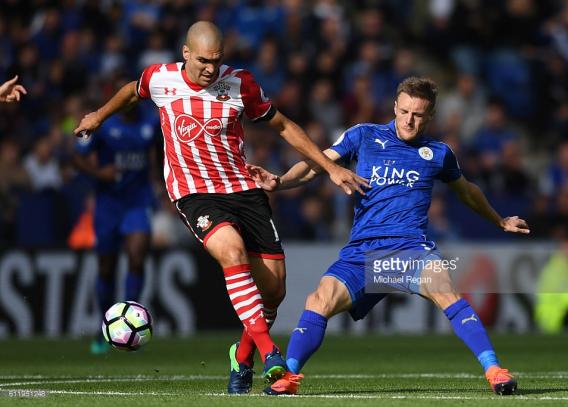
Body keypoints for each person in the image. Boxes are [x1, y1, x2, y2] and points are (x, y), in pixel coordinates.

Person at [74, 21, 367, 390]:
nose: (210, 68)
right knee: (232, 250)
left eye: (216, 60)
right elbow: (132, 92)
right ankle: (270, 354)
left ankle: (241, 357)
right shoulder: (161, 78)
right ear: (185, 53)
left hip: (243, 188)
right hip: (193, 191)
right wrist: (99, 116)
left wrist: (329, 168)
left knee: (274, 291)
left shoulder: (240, 83)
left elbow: (283, 126)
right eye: (202, 60)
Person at [247, 77, 530, 396]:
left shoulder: (438, 153)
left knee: (446, 291)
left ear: (430, 116)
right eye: (405, 111)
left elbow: (467, 192)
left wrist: (500, 220)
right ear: (395, 106)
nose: (409, 120)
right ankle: (289, 378)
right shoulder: (363, 135)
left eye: (419, 114)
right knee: (319, 299)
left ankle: (495, 370)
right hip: (362, 253)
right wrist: (281, 182)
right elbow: (316, 164)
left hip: (410, 250)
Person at [73, 104, 158, 354]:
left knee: (137, 256)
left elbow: (162, 153)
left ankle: (132, 319)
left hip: (138, 201)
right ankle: (104, 329)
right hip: (108, 204)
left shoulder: (152, 123)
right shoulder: (103, 124)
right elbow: (77, 156)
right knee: (106, 268)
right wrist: (99, 173)